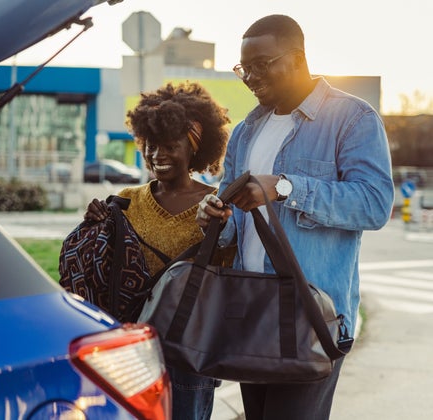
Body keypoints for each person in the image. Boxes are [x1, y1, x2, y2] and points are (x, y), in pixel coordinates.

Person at [196, 14, 394, 419]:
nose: (250, 77)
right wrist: (215, 214)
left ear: (299, 58)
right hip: (250, 310)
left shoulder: (352, 118)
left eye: (262, 65)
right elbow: (236, 219)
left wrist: (285, 186)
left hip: (311, 317)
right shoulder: (246, 131)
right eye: (244, 68)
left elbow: (374, 204)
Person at [84, 81, 235, 419]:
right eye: (150, 145)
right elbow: (106, 269)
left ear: (195, 146)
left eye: (169, 145)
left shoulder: (216, 205)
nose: (156, 155)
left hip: (190, 354)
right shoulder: (128, 199)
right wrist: (96, 226)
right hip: (133, 349)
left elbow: (226, 273)